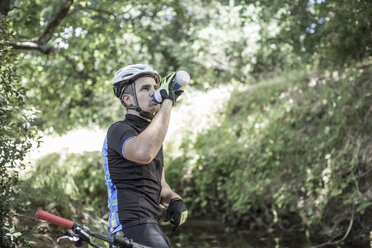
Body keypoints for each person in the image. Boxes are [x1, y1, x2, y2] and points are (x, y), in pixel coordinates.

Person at [102, 64, 188, 248]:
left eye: (156, 88)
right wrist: (167, 103)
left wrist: (174, 198)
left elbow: (160, 184)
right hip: (130, 224)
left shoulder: (152, 135)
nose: (153, 92)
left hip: (149, 224)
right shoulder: (119, 129)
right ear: (128, 98)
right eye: (145, 88)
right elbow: (144, 153)